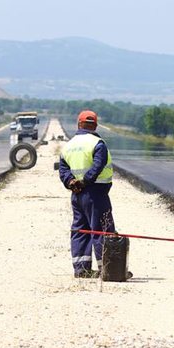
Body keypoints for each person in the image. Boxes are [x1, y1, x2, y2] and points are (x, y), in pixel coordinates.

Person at [59, 110, 116, 277]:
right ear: (95, 125)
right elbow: (98, 166)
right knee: (102, 229)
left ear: (79, 124)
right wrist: (85, 181)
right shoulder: (98, 143)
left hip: (77, 195)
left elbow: (63, 170)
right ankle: (108, 269)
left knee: (80, 229)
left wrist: (71, 182)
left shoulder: (68, 146)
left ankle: (81, 269)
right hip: (96, 193)